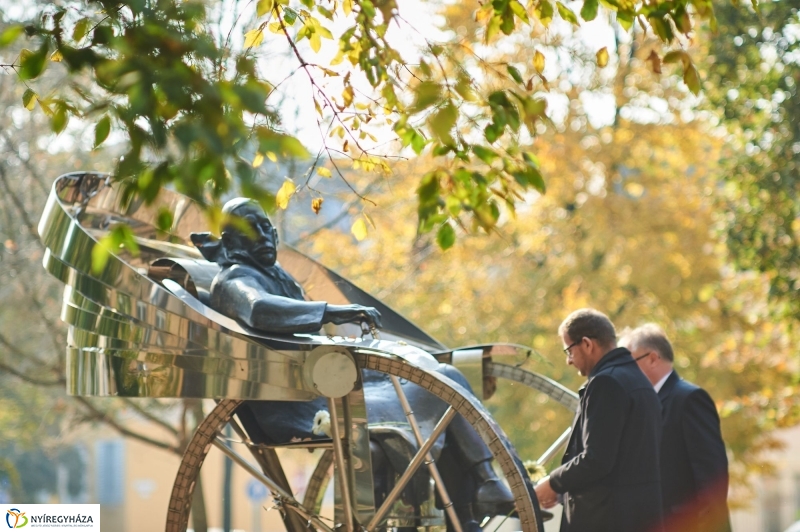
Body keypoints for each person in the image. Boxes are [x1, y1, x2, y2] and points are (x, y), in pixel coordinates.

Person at [190, 197, 514, 528]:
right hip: (303, 402)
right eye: (251, 229)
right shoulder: (234, 280)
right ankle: (482, 490)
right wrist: (332, 311)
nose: (263, 235)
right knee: (442, 386)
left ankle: (478, 496)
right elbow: (259, 309)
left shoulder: (273, 275)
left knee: (445, 378)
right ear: (230, 242)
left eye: (265, 227)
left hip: (324, 383)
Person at [534, 308, 664, 532]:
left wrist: (553, 483)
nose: (568, 361)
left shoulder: (606, 383)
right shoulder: (639, 382)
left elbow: (597, 459)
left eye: (569, 351)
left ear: (587, 344)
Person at [620, 324, 731, 532]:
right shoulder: (642, 405)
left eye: (627, 363)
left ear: (652, 359)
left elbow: (711, 477)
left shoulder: (689, 399)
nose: (623, 372)